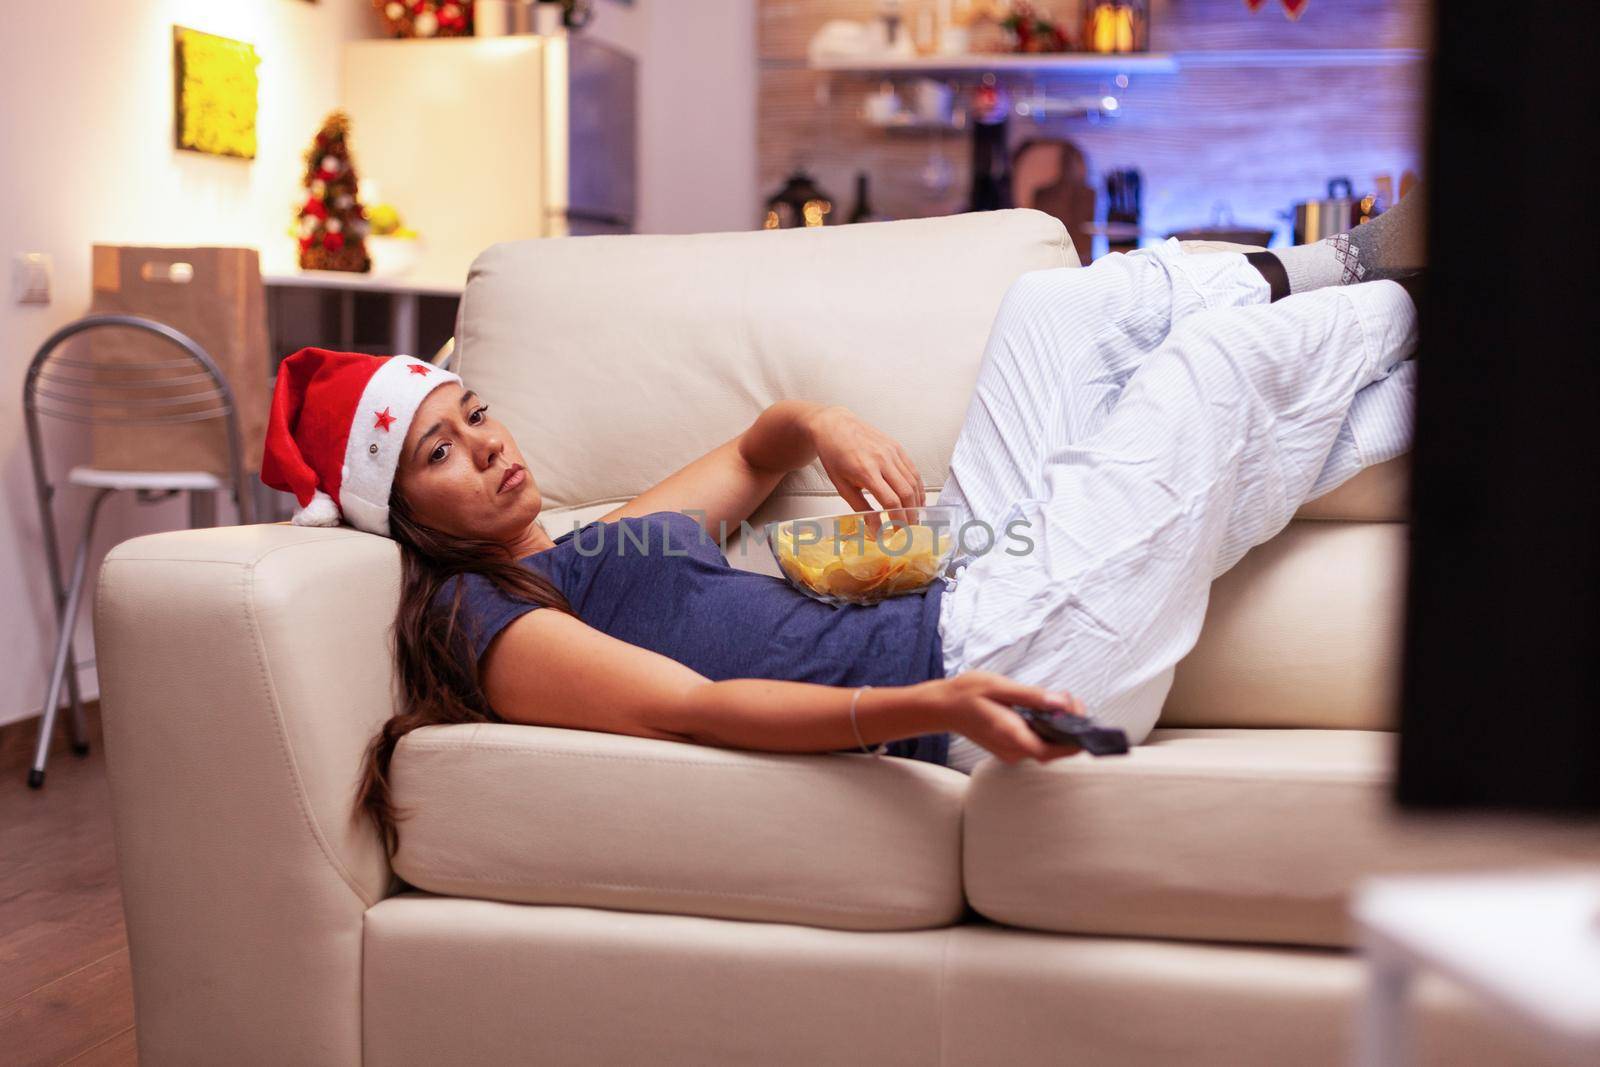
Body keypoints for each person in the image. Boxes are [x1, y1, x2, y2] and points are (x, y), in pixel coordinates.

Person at [259, 190, 1425, 853]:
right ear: (396, 511)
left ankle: (1356, 263)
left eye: (473, 413)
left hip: (968, 584)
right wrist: (932, 699)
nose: (490, 445)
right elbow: (699, 709)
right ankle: (1440, 292)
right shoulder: (483, 615)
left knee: (1052, 310)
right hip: (987, 664)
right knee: (1208, 377)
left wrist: (820, 423)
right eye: (439, 453)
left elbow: (754, 448)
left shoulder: (587, 546)